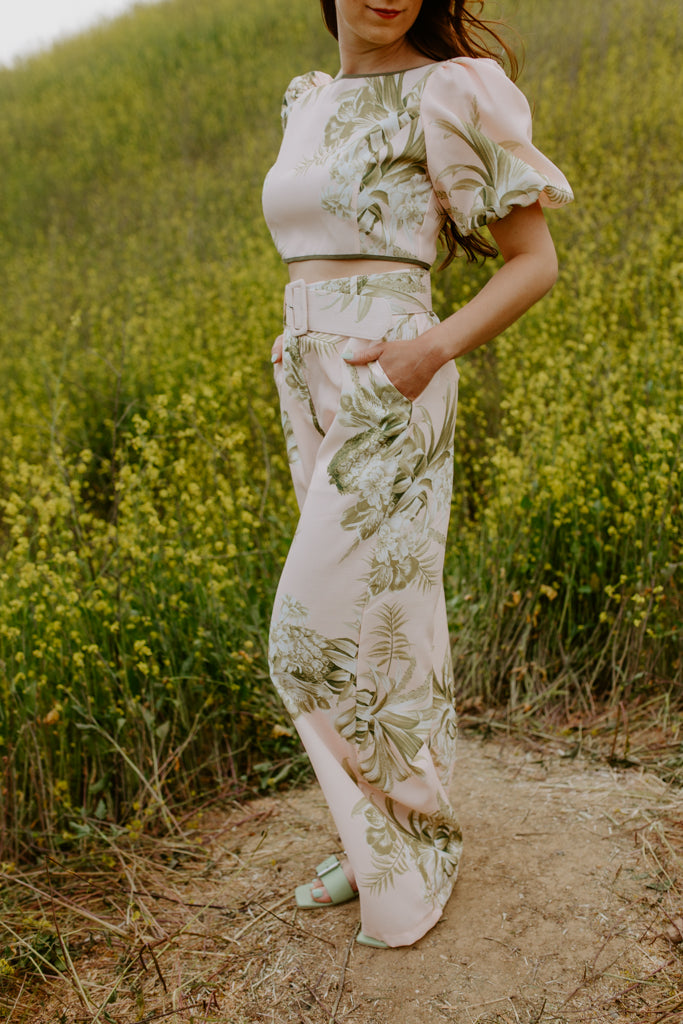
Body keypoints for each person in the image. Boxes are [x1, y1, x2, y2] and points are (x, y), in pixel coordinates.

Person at [262, 0, 572, 949]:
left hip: (387, 375)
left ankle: (414, 845)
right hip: (306, 375)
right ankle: (379, 842)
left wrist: (425, 352)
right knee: (381, 627)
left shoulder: (447, 90)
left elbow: (534, 262)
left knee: (306, 640)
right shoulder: (308, 101)